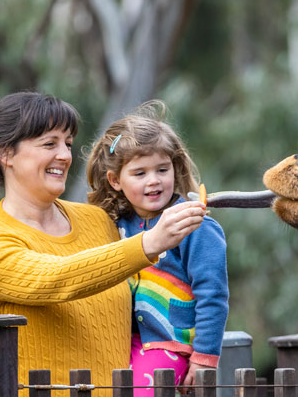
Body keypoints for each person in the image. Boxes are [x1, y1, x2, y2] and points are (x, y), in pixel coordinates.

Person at [0, 92, 206, 394]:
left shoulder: (99, 221)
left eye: (68, 143)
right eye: (49, 143)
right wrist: (149, 243)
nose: (64, 155)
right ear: (6, 154)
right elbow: (59, 278)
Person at [86, 100, 228, 395]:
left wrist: (204, 359)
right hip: (123, 343)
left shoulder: (193, 224)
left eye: (162, 169)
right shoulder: (116, 225)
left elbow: (212, 294)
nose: (154, 181)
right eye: (140, 174)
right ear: (115, 180)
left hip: (171, 344)